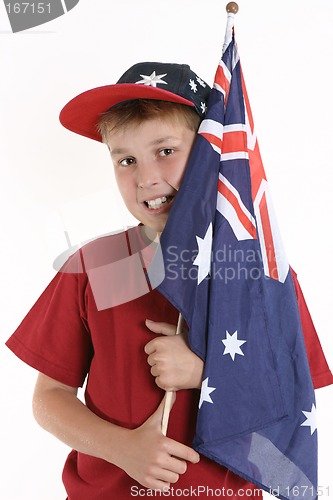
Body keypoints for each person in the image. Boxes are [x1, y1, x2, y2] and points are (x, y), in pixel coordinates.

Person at [6, 62, 333, 499]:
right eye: (126, 160)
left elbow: (295, 396)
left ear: (207, 153)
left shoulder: (260, 269)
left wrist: (210, 373)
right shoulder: (95, 265)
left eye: (165, 151)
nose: (146, 178)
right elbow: (48, 399)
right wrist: (124, 450)